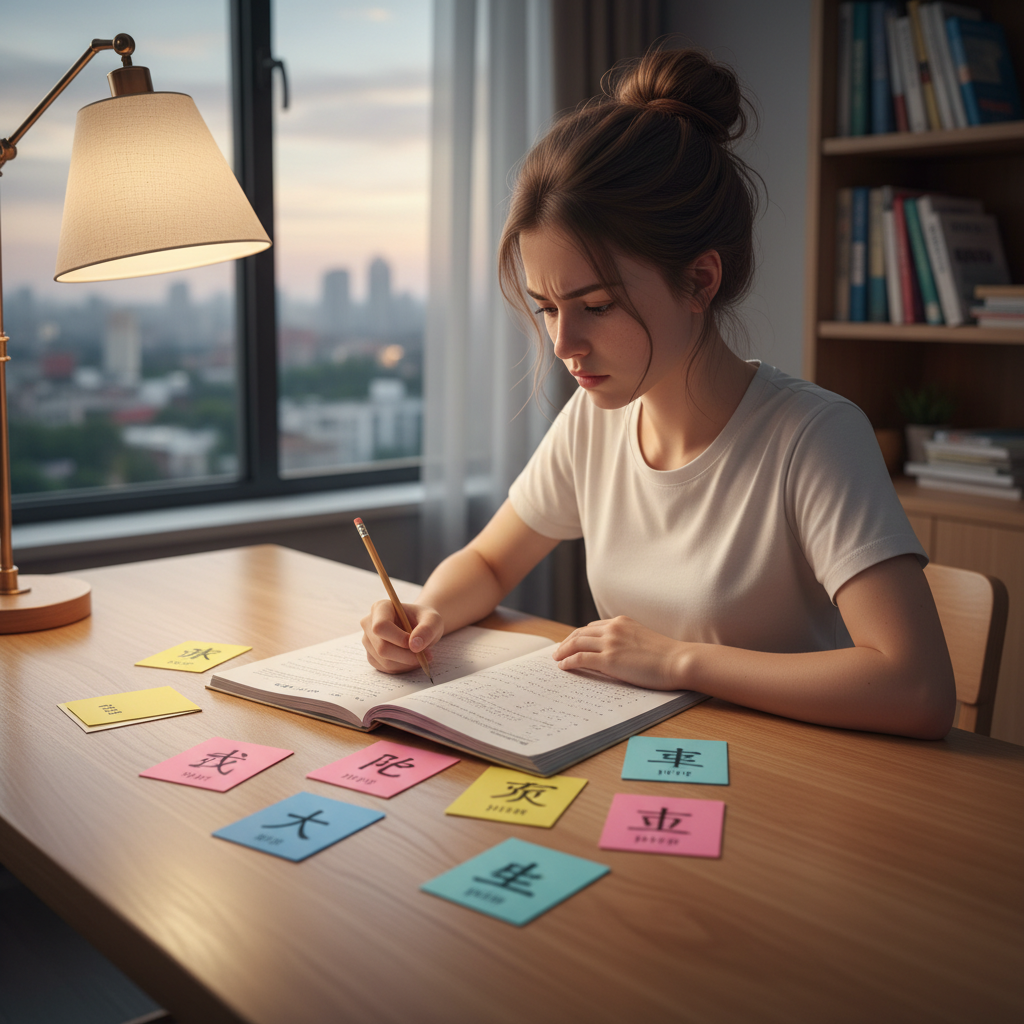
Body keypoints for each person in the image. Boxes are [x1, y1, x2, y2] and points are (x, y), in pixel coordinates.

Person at [360, 48, 956, 740]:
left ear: (700, 281)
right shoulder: (596, 420)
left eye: (598, 305)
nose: (563, 344)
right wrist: (424, 614)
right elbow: (491, 562)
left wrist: (679, 660)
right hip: (644, 755)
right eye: (549, 308)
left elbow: (915, 687)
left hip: (789, 778)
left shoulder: (813, 437)